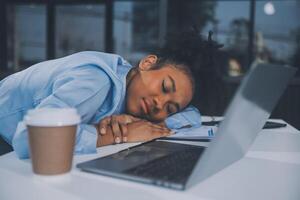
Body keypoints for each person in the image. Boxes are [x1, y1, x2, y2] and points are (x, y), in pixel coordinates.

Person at [0, 29, 221, 158]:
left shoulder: (133, 89)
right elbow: (32, 140)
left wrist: (137, 122)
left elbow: (191, 115)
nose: (159, 105)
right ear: (147, 63)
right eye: (164, 87)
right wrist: (120, 134)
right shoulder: (96, 81)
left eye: (170, 108)